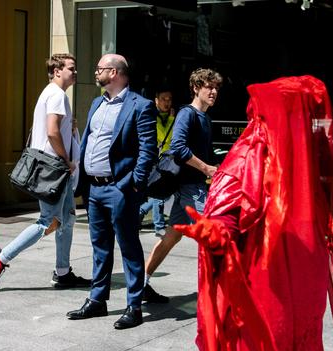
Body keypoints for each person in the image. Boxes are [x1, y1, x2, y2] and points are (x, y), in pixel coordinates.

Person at [174, 75, 333, 351]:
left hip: (303, 294)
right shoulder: (250, 156)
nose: (317, 126)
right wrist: (218, 231)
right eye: (310, 117)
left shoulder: (299, 158)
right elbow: (231, 208)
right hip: (267, 295)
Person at [66, 54, 157, 329]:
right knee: (100, 247)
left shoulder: (140, 106)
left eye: (100, 69)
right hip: (94, 188)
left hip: (120, 188)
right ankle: (97, 300)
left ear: (115, 72)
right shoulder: (97, 102)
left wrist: (133, 184)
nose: (95, 72)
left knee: (129, 246)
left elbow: (147, 150)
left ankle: (134, 305)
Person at [0, 53, 90, 291]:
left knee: (66, 219)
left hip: (54, 169)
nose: (75, 73)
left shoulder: (51, 93)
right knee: (47, 222)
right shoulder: (56, 94)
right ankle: (1, 259)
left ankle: (63, 272)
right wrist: (66, 160)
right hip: (54, 168)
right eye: (71, 68)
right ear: (57, 71)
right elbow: (52, 131)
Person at [142, 68, 222, 303]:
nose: (214, 91)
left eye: (216, 87)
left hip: (190, 187)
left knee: (171, 237)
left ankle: (141, 283)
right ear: (196, 88)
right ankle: (216, 293)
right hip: (191, 188)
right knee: (212, 238)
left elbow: (201, 153)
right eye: (209, 86)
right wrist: (206, 168)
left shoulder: (204, 117)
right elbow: (178, 147)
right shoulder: (188, 114)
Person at [139, 87, 175, 237]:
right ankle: (158, 225)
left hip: (170, 159)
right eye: (163, 99)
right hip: (158, 160)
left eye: (169, 100)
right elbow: (161, 135)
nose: (167, 103)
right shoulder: (153, 116)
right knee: (159, 193)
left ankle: (140, 211)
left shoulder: (170, 116)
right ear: (156, 101)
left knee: (161, 194)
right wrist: (172, 120)